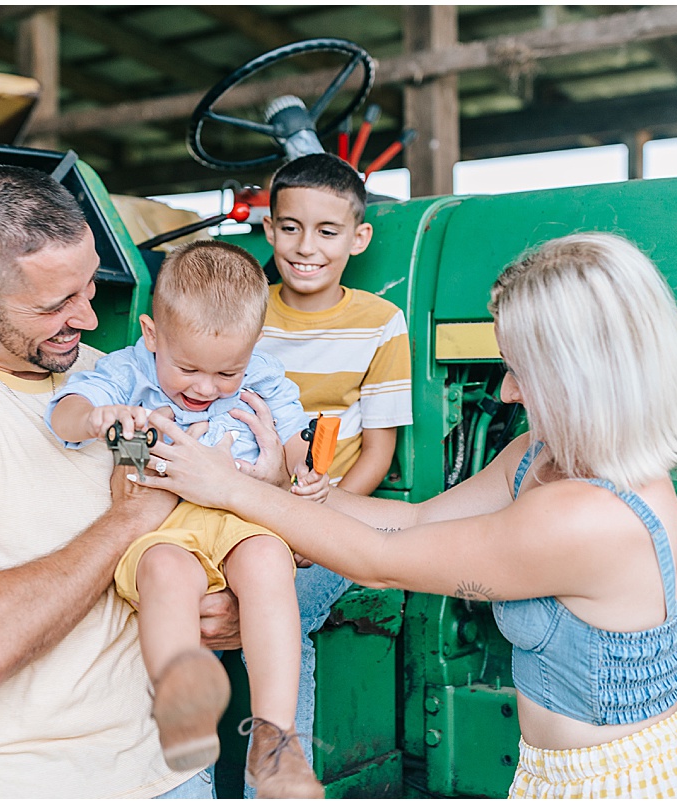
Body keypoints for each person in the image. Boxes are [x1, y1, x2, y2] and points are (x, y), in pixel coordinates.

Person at [135, 231, 677, 799]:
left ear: (580, 379)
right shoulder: (542, 456)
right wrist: (272, 481)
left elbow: (382, 562)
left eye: (521, 372)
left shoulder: (590, 518)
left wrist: (227, 489)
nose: (505, 394)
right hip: (550, 772)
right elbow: (414, 522)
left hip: (621, 784)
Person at [0, 165, 243, 799]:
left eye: (87, 288)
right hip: (16, 780)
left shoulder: (109, 376)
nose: (85, 318)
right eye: (54, 305)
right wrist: (129, 520)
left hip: (168, 772)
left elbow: (190, 533)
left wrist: (225, 605)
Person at [45, 240, 328, 798]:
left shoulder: (261, 374)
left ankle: (277, 743)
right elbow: (64, 414)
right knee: (168, 576)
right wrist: (97, 417)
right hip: (161, 521)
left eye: (228, 372)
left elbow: (296, 435)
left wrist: (305, 469)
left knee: (271, 560)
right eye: (188, 368)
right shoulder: (124, 371)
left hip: (238, 514)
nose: (206, 387)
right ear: (152, 336)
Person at [257, 153, 414, 785]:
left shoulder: (380, 324)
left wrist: (317, 523)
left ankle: (277, 784)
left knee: (282, 613)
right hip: (240, 504)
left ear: (358, 237)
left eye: (327, 232)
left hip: (333, 513)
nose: (305, 247)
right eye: (290, 228)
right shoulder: (246, 310)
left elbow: (377, 452)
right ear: (268, 231)